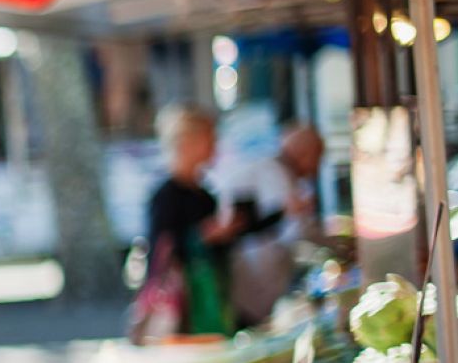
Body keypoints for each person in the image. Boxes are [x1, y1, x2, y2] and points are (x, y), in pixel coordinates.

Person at [135, 103, 235, 339]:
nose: (215, 147)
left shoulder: (206, 194)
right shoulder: (165, 195)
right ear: (188, 143)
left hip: (210, 296)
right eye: (210, 139)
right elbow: (161, 249)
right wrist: (201, 235)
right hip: (180, 303)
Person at [224, 123, 325, 325]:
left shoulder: (274, 171)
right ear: (303, 152)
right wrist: (331, 242)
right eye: (317, 157)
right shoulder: (275, 174)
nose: (316, 168)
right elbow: (296, 231)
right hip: (256, 276)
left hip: (261, 275)